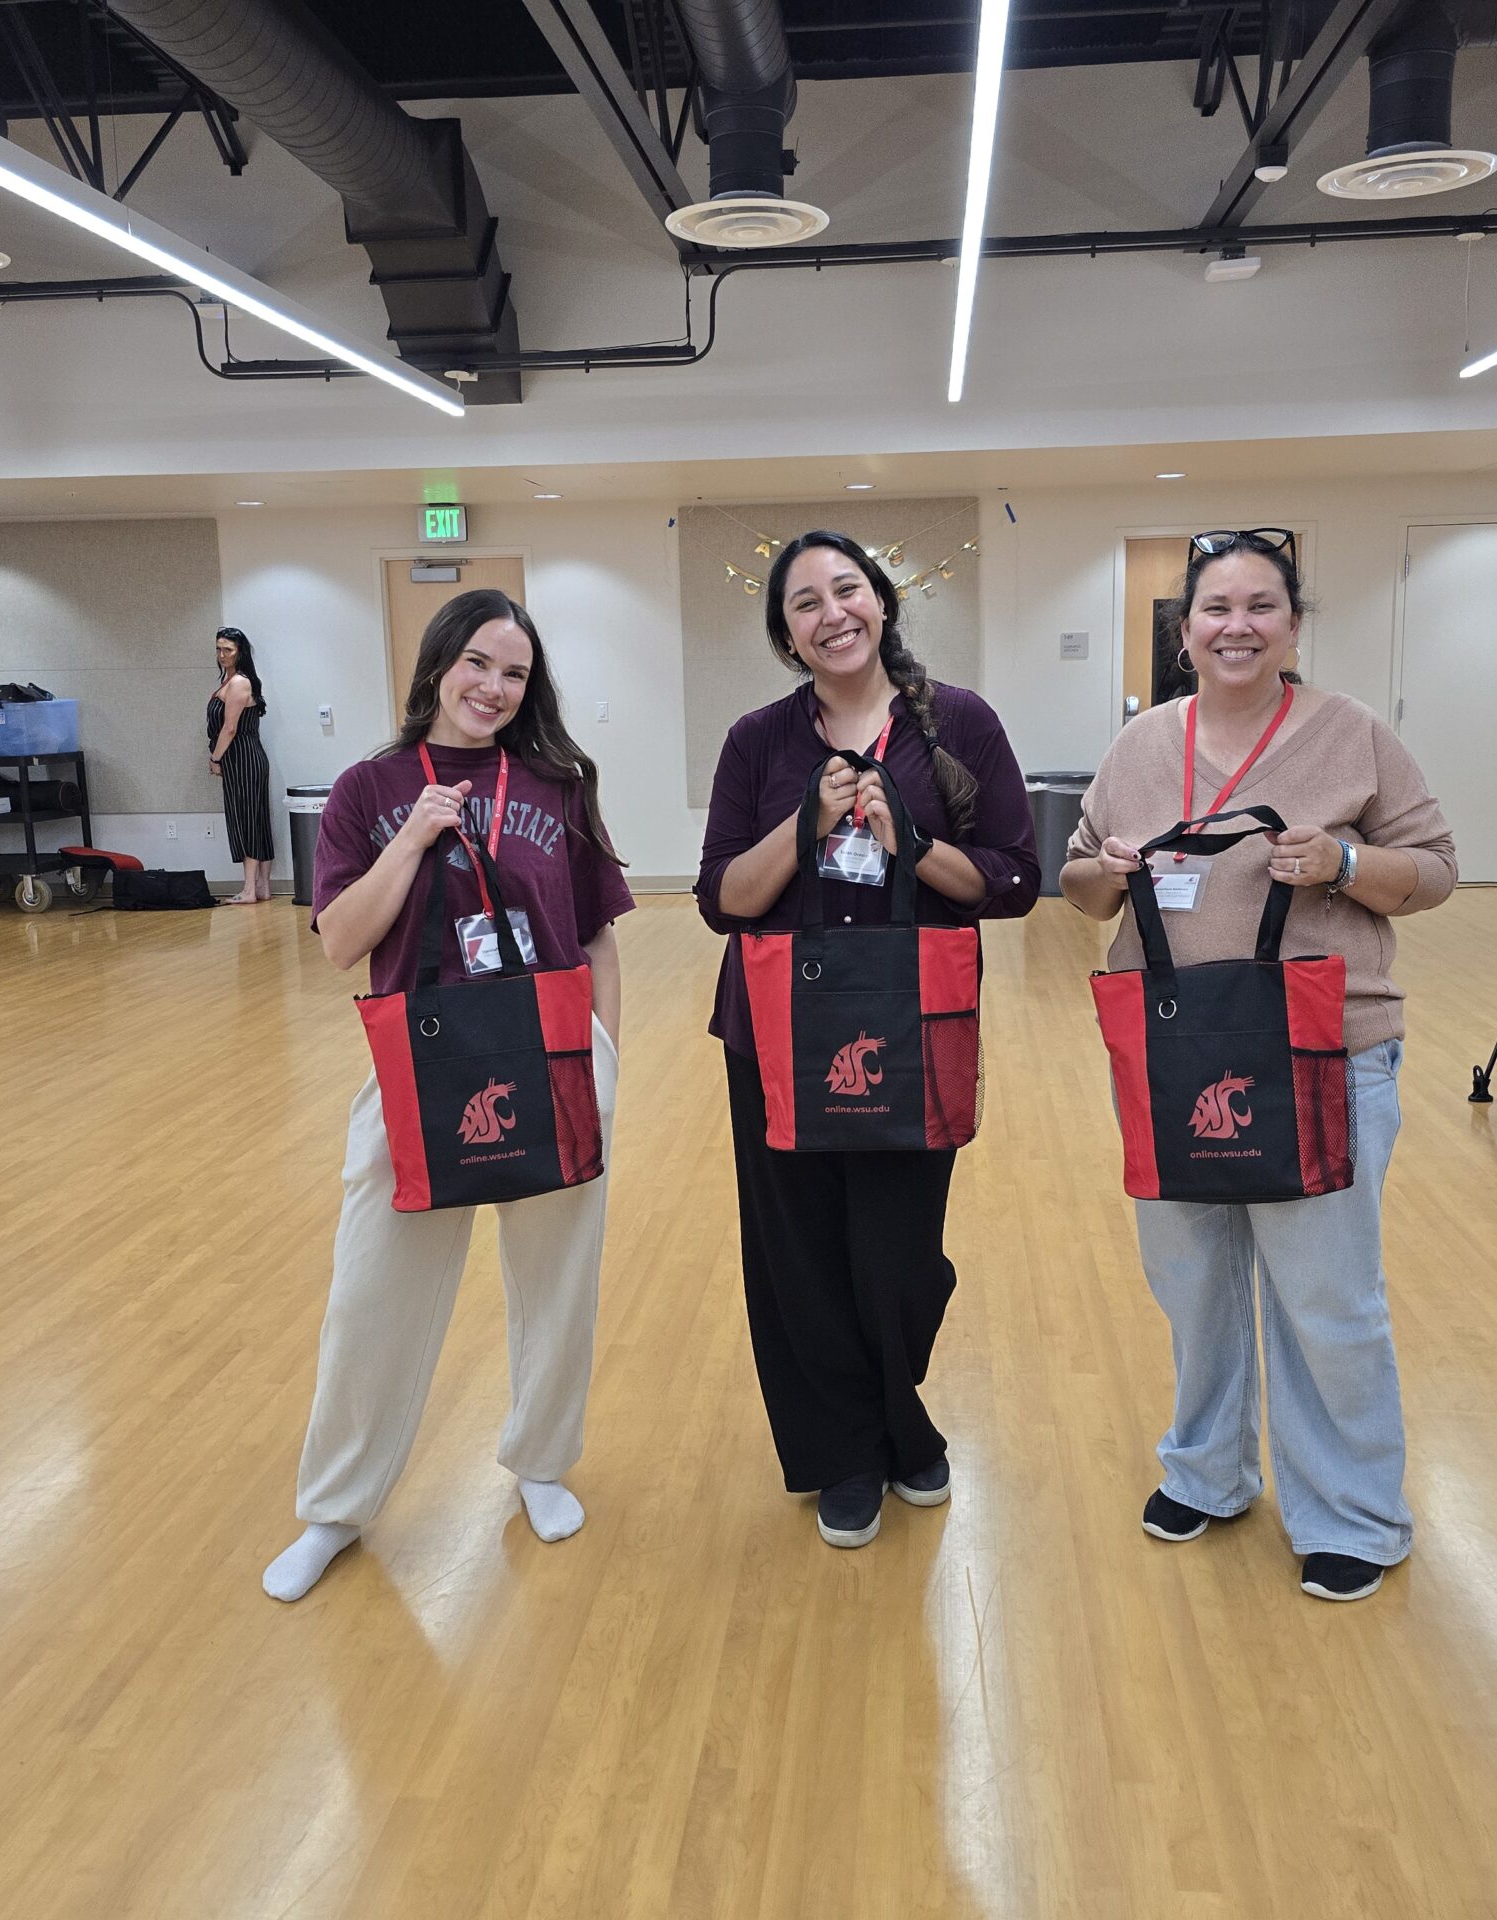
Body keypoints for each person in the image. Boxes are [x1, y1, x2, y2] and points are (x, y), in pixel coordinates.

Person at [1060, 530, 1456, 1603]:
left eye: (1260, 606)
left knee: (1325, 1293)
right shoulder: (1141, 743)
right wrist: (1100, 871)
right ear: (1184, 630)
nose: (1236, 625)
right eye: (1215, 608)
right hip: (1173, 1046)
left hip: (1322, 1049)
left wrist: (1344, 863)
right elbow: (1081, 888)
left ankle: (1354, 1515)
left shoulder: (1352, 736)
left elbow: (1434, 871)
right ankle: (1208, 1470)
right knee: (1190, 1279)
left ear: (1290, 622)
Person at [264, 589, 631, 1602]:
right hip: (419, 1063)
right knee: (372, 1294)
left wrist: (606, 1060)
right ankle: (336, 1508)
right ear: (436, 665)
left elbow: (596, 931)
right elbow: (342, 940)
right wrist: (412, 839)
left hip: (553, 1056)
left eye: (514, 674)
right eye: (477, 664)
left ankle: (542, 1463)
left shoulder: (557, 783)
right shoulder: (366, 789)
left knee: (557, 1281)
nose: (493, 688)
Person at [697, 530, 1039, 1549]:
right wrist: (805, 821)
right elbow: (723, 899)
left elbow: (1016, 881)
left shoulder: (958, 724)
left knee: (897, 1255)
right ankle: (849, 1450)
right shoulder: (758, 741)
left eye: (846, 590)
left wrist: (914, 846)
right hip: (773, 1031)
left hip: (907, 1025)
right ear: (786, 636)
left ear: (882, 603)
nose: (830, 613)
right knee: (797, 1251)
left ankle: (899, 1412)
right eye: (804, 603)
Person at [208, 625, 277, 904]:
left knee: (247, 819)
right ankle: (261, 887)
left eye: (228, 650)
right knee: (254, 818)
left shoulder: (238, 683)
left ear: (240, 652)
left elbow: (230, 728)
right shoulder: (232, 681)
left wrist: (215, 758)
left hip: (242, 757)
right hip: (245, 757)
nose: (222, 655)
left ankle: (250, 889)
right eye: (219, 649)